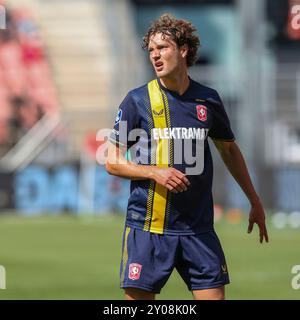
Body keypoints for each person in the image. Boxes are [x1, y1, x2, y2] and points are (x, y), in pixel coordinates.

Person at [105, 14, 268, 300]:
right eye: (151, 50)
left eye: (163, 48)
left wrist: (254, 200)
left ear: (183, 50)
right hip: (148, 228)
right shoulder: (137, 100)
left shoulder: (209, 99)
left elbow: (229, 150)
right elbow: (111, 160)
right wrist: (155, 172)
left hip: (197, 228)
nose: (155, 55)